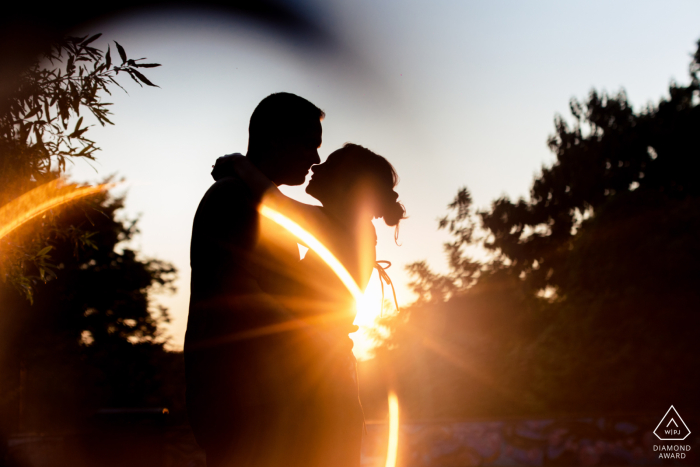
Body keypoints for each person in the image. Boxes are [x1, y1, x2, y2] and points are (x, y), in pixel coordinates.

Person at [211, 143, 406, 467]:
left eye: (327, 164)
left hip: (323, 389)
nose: (316, 167)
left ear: (347, 183)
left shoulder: (350, 226)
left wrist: (238, 163)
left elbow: (279, 207)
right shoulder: (351, 227)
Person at [185, 92, 324, 467]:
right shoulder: (233, 199)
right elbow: (237, 295)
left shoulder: (258, 200)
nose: (316, 158)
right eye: (310, 144)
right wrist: (314, 334)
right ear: (277, 139)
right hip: (241, 402)